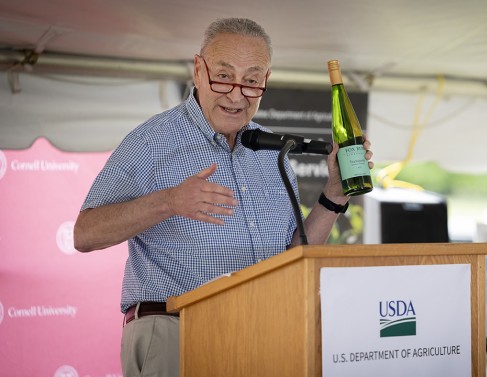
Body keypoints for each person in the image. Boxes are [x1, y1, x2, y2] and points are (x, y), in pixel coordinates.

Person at [73, 17, 373, 377]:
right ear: (198, 70)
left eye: (251, 81)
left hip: (261, 335)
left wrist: (333, 195)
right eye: (224, 76)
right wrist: (169, 201)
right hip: (176, 332)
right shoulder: (152, 141)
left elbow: (292, 258)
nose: (236, 94)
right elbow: (84, 234)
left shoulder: (270, 150)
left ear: (265, 82)